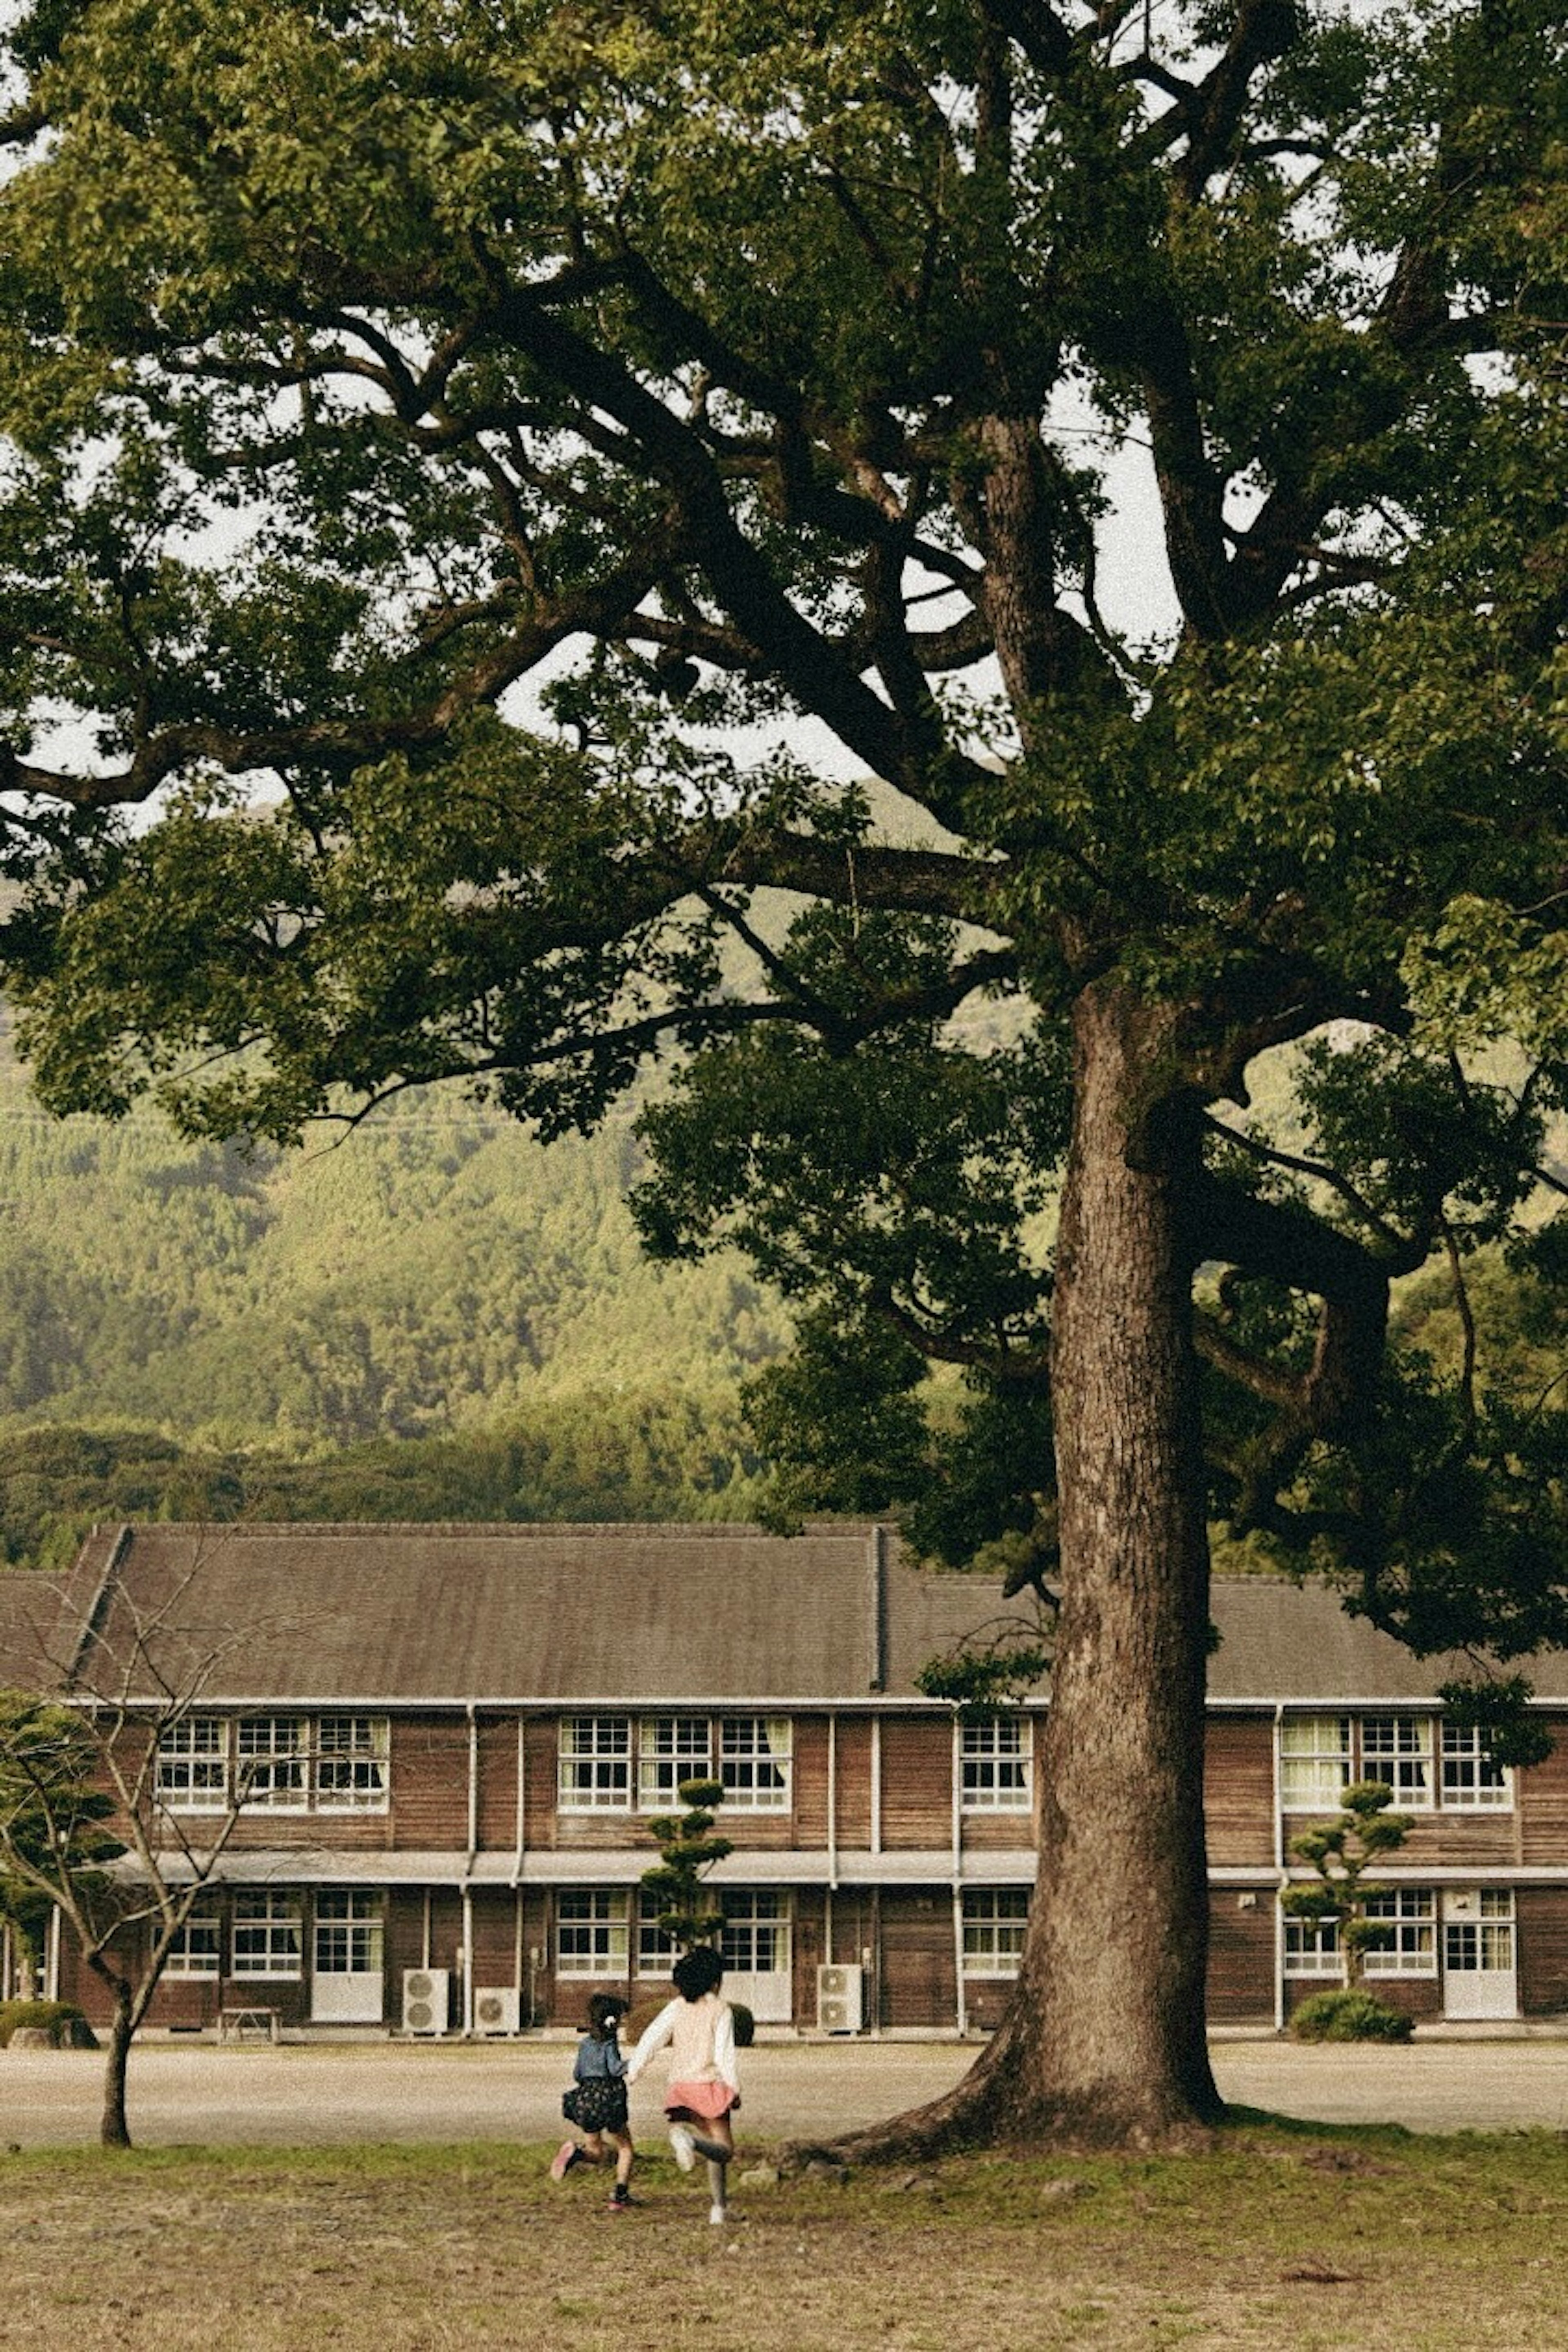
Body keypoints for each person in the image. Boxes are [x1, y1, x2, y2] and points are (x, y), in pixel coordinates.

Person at [626, 1945, 741, 2225]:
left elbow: (652, 2038)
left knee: (713, 2144)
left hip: (681, 2087)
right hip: (709, 2085)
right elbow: (725, 2053)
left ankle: (719, 2209)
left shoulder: (676, 2008)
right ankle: (690, 2145)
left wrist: (635, 2069)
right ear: (715, 1980)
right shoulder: (720, 2009)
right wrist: (733, 2088)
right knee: (724, 2150)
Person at [551, 1992, 636, 2211]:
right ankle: (620, 2196)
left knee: (596, 2152)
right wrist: (635, 2063)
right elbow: (615, 2068)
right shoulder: (609, 2043)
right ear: (613, 2021)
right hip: (609, 2100)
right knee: (625, 2147)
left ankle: (576, 2153)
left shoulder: (585, 2044)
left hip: (587, 2099)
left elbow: (578, 2074)